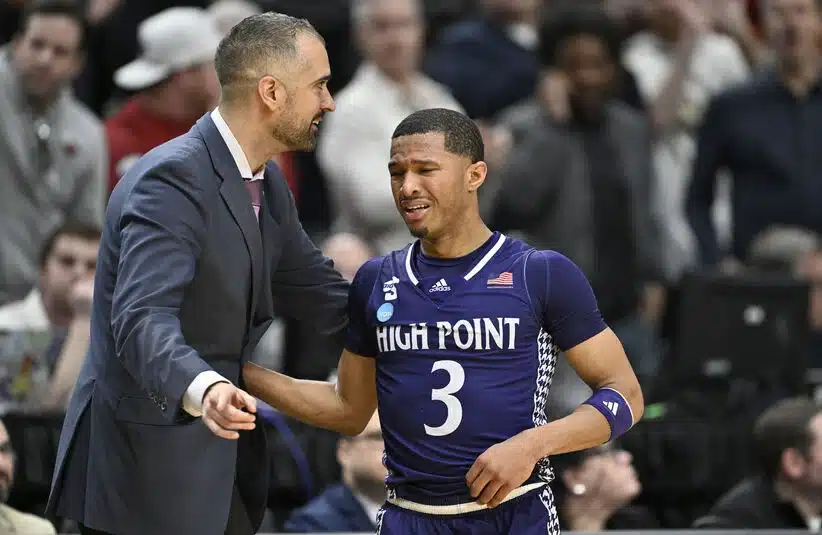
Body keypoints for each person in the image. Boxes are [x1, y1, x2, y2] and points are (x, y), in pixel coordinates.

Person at [244, 107, 645, 534]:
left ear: (475, 175)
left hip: (512, 514)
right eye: (397, 172)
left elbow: (626, 397)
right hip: (409, 516)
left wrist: (534, 443)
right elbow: (350, 410)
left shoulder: (540, 272)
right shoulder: (376, 279)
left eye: (425, 170)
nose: (408, 187)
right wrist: (240, 371)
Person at [45, 12, 347, 535]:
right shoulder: (173, 178)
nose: (329, 101)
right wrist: (204, 386)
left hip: (216, 462)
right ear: (271, 92)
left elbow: (323, 293)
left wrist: (429, 311)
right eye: (319, 85)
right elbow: (140, 318)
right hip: (143, 473)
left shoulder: (265, 181)